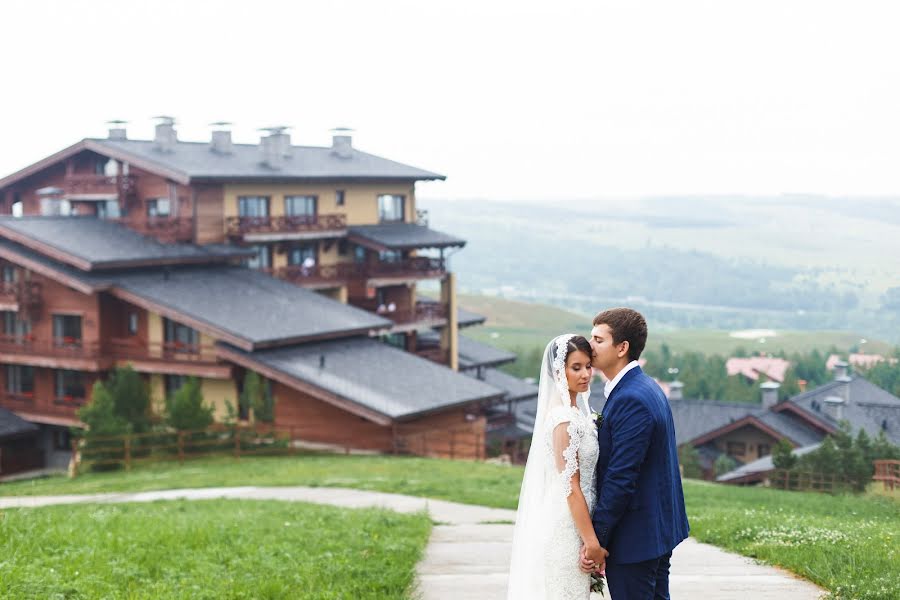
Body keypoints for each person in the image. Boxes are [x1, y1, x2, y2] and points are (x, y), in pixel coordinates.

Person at [580, 308, 689, 600]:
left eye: (598, 339)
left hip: (637, 537)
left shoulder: (631, 398)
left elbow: (621, 477)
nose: (590, 345)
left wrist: (597, 540)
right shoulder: (646, 387)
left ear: (622, 348)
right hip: (655, 531)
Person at [507, 334, 602, 599]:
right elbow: (570, 486)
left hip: (577, 521)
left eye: (587, 366)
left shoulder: (575, 412)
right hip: (566, 525)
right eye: (576, 367)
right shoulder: (563, 419)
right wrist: (591, 542)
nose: (585, 374)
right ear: (559, 371)